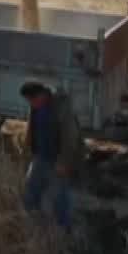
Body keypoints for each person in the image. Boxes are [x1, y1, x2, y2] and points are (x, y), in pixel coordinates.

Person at [19, 80, 84, 232]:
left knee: (61, 195)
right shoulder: (36, 106)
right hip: (41, 156)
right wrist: (27, 148)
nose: (31, 104)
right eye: (29, 101)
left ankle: (64, 230)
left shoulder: (61, 108)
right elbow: (32, 127)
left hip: (58, 158)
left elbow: (70, 138)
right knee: (30, 189)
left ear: (41, 95)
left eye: (32, 100)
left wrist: (64, 162)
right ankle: (32, 224)